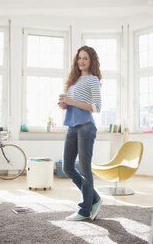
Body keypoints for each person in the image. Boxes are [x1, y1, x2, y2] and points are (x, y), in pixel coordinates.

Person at [58, 45, 102, 221]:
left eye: (85, 58)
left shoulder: (93, 80)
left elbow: (97, 107)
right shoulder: (74, 81)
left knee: (84, 169)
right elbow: (72, 103)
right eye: (79, 58)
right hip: (72, 125)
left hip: (86, 126)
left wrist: (72, 102)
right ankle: (95, 198)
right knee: (67, 167)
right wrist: (65, 104)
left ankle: (85, 210)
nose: (81, 61)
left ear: (91, 61)